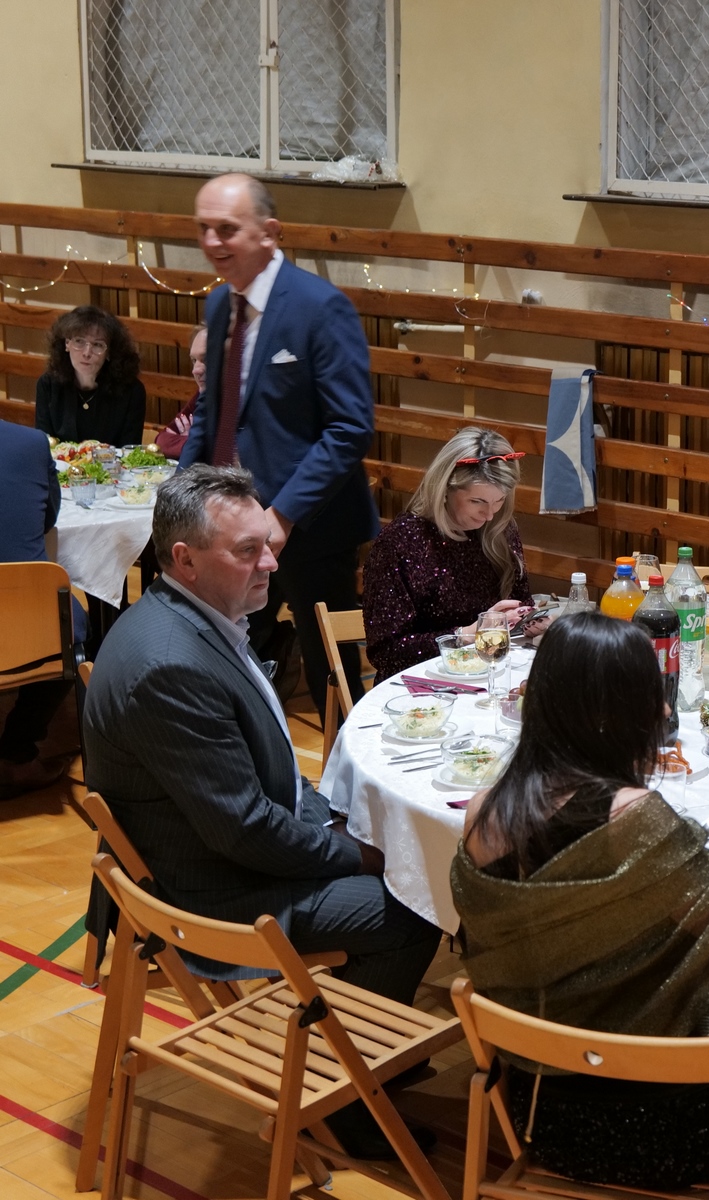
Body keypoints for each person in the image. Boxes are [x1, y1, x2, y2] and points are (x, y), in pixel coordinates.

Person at [82, 467, 439, 998]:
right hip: (212, 890)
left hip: (224, 849)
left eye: (268, 545)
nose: (271, 563)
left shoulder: (196, 615)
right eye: (248, 551)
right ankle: (350, 1047)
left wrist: (335, 828)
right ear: (185, 560)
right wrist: (359, 854)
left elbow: (267, 779)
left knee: (397, 852)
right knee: (416, 907)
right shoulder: (170, 667)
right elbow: (245, 831)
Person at [452, 610, 709, 1189]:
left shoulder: (484, 811)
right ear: (611, 716)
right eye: (651, 697)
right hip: (667, 1128)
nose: (664, 712)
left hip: (536, 1112)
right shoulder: (635, 819)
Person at [182, 172, 378, 710]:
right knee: (226, 655)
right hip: (230, 519)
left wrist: (283, 515)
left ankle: (345, 763)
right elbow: (213, 410)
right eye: (203, 229)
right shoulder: (220, 305)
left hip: (310, 524)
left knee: (329, 670)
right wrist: (181, 495)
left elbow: (350, 428)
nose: (212, 242)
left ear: (269, 232)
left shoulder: (320, 307)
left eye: (227, 229)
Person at [363, 428, 533, 681]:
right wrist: (465, 635)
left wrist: (529, 621)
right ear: (444, 489)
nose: (489, 514)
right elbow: (385, 652)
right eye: (477, 501)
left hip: (490, 672)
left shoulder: (499, 530)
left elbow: (520, 602)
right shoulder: (401, 542)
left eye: (499, 500)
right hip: (420, 684)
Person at [0, 419, 77, 795]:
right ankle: (17, 753)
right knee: (73, 629)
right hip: (30, 616)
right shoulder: (30, 443)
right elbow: (49, 516)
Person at [33, 306, 147, 447]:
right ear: (67, 344)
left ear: (109, 352)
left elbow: (129, 451)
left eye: (97, 345)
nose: (87, 353)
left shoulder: (132, 391)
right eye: (79, 341)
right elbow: (44, 446)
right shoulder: (48, 385)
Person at [154, 326, 205, 459]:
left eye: (205, 359)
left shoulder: (239, 402)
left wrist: (192, 444)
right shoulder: (201, 395)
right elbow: (161, 441)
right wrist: (191, 444)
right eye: (194, 360)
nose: (195, 370)